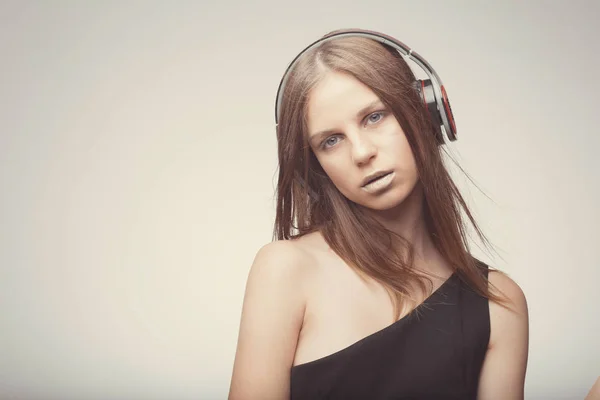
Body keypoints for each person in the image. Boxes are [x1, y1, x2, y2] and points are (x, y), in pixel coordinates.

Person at [228, 28, 529, 400]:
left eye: (374, 117)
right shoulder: (286, 270)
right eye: (330, 140)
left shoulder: (497, 302)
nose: (361, 152)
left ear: (425, 113)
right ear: (315, 165)